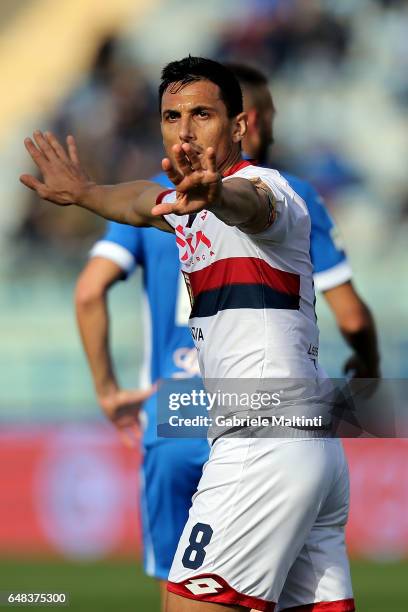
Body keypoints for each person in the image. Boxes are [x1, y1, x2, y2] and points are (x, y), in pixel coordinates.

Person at [21, 56, 356, 612]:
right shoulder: (184, 205)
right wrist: (83, 191)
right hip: (307, 441)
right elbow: (133, 201)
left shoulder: (269, 193)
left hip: (262, 441)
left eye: (202, 114)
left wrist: (219, 196)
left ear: (240, 127)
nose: (185, 130)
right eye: (172, 116)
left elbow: (254, 207)